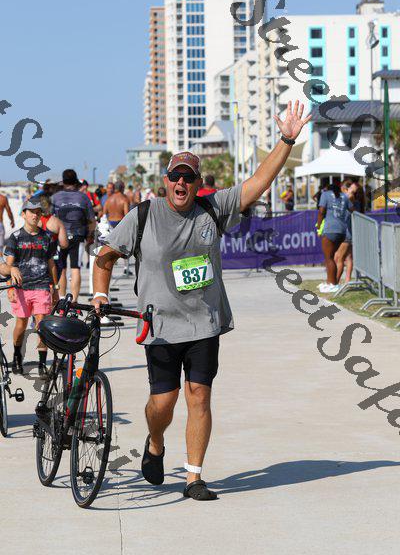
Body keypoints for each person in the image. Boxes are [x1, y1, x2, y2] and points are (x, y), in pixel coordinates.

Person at [92, 100, 311, 501]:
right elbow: (104, 257)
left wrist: (286, 140)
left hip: (204, 323)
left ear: (197, 184)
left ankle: (194, 477)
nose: (181, 183)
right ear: (166, 181)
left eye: (188, 178)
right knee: (163, 402)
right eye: (175, 176)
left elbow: (258, 181)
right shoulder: (143, 215)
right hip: (159, 326)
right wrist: (100, 294)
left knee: (199, 395)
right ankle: (155, 441)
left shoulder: (212, 209)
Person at [4, 200, 59, 377]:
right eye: (31, 212)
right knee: (21, 324)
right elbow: (9, 265)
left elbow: (51, 264)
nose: (35, 215)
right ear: (23, 214)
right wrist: (10, 287)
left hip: (42, 286)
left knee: (42, 325)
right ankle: (17, 356)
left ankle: (42, 364)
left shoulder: (47, 237)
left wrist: (56, 287)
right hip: (21, 287)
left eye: (38, 212)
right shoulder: (15, 237)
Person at [51, 169, 96, 301]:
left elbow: (49, 218)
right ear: (76, 182)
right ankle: (74, 301)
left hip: (60, 236)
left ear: (63, 182)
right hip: (78, 235)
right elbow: (91, 220)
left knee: (62, 268)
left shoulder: (55, 197)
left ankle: (62, 299)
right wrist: (90, 235)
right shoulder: (83, 197)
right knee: (76, 267)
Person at [317, 179, 353, 293]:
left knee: (329, 258)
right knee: (332, 257)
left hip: (330, 229)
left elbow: (321, 211)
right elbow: (352, 209)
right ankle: (330, 283)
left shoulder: (325, 194)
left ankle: (332, 284)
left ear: (328, 188)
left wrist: (319, 225)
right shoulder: (344, 196)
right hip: (342, 230)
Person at [334, 181, 357, 284]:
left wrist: (351, 190)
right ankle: (346, 281)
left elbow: (350, 196)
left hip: (346, 234)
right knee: (347, 257)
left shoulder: (349, 198)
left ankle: (335, 282)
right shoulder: (345, 200)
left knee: (338, 258)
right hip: (346, 232)